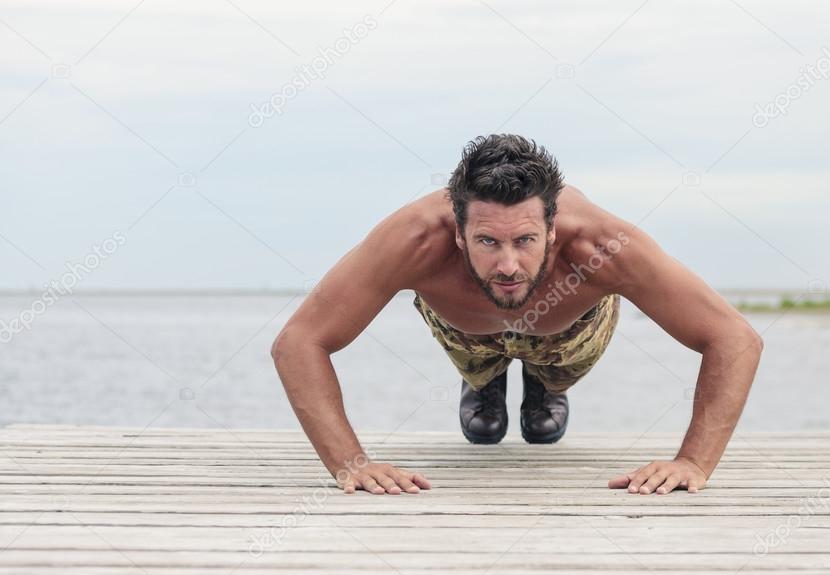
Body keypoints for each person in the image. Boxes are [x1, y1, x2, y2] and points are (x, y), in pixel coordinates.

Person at [271, 134, 763, 496]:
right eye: (487, 241)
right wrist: (349, 463)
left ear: (552, 229)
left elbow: (734, 338)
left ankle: (544, 387)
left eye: (524, 240)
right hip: (467, 329)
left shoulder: (602, 245)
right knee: (480, 395)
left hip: (568, 331)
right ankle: (484, 380)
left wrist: (693, 462)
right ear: (459, 233)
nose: (508, 264)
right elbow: (298, 342)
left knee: (544, 414)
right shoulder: (415, 240)